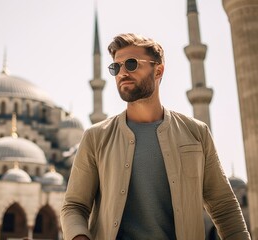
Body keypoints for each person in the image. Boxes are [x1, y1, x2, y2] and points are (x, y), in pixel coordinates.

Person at [60, 33, 251, 240]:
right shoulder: (96, 137)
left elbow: (224, 206)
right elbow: (74, 206)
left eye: (131, 64)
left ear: (158, 70)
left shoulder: (196, 133)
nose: (122, 72)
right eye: (116, 67)